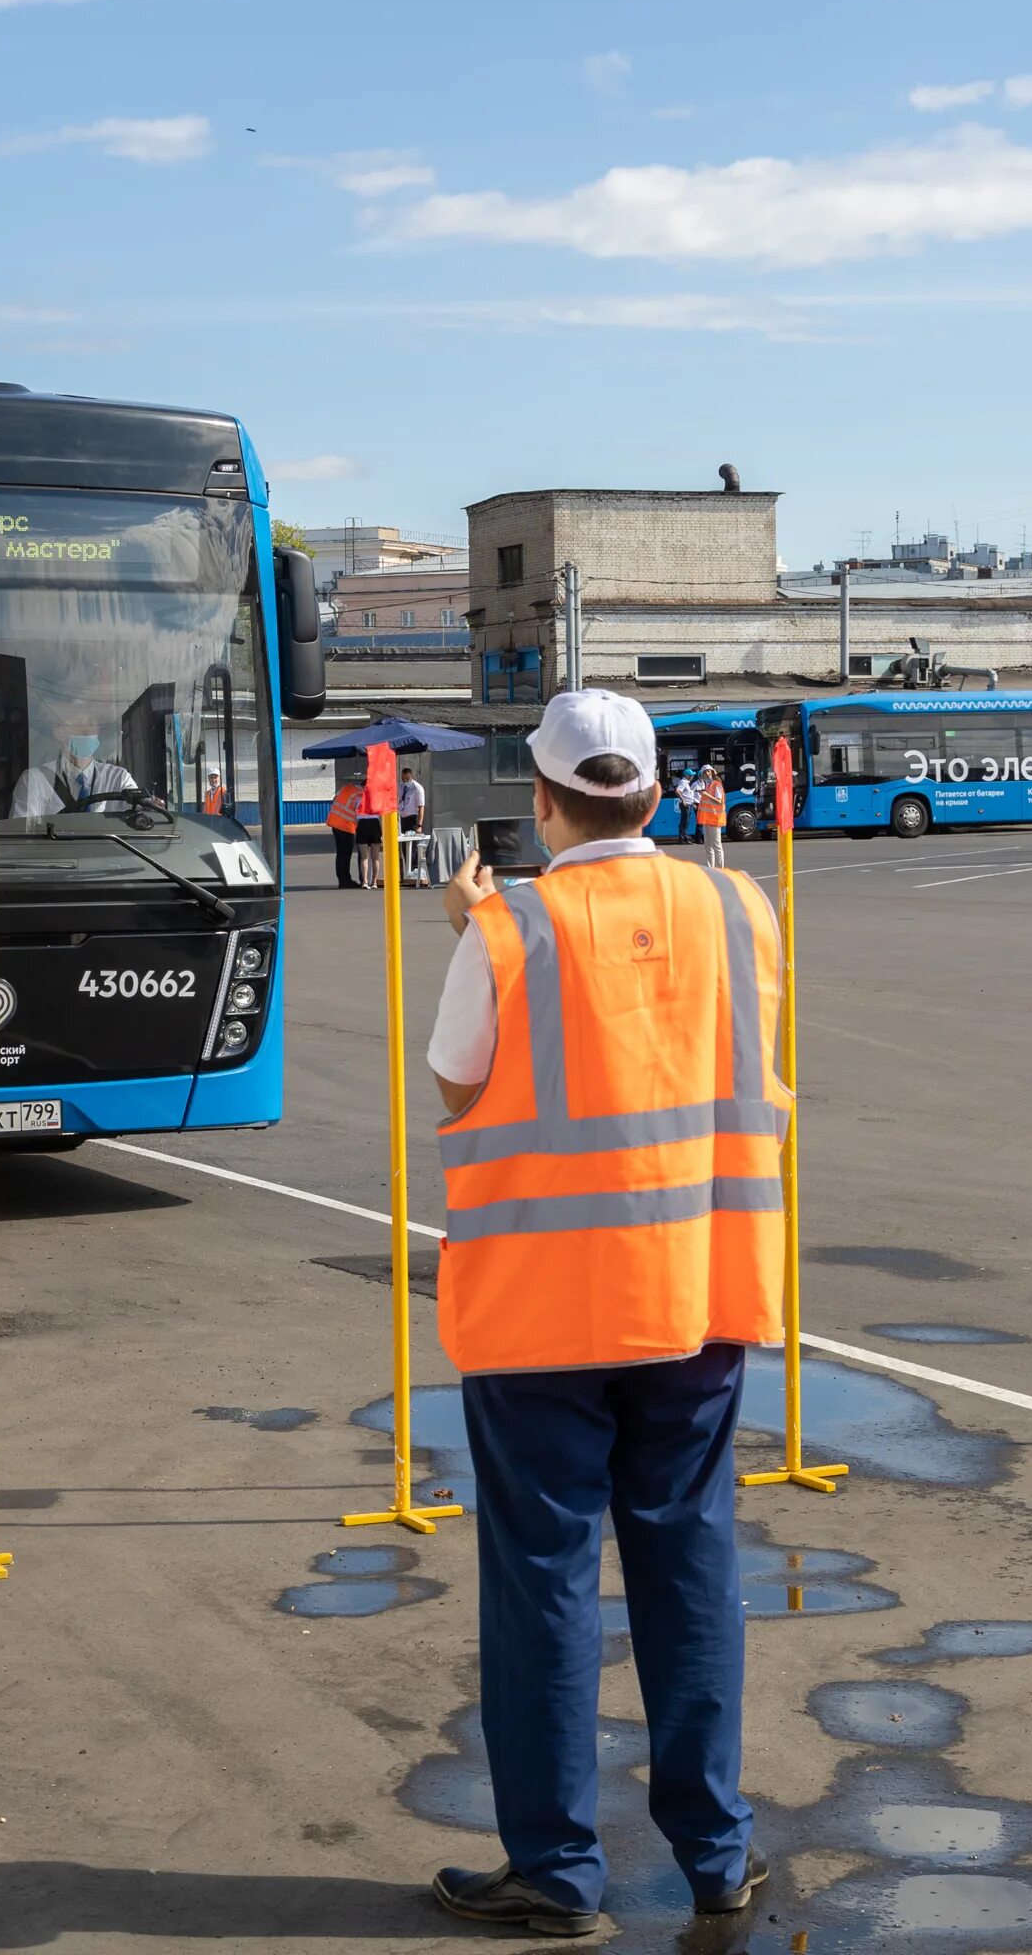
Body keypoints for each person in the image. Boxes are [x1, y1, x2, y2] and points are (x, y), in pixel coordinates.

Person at [422, 688, 785, 1937]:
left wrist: (477, 928)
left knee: (544, 1583)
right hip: (697, 1293)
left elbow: (456, 1079)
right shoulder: (741, 908)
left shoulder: (509, 926)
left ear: (543, 798)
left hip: (540, 1311)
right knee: (689, 1567)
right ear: (655, 792)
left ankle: (560, 1870)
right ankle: (716, 1854)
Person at [9, 730, 140, 819]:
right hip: (54, 858)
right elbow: (23, 836)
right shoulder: (34, 780)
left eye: (91, 725)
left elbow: (140, 816)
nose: (87, 732)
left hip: (107, 858)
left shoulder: (118, 778)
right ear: (59, 732)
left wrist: (150, 806)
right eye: (79, 727)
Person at [325, 775, 367, 889]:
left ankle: (342, 879)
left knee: (340, 854)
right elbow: (360, 812)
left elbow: (335, 798)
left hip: (334, 823)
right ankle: (345, 881)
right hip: (346, 826)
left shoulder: (347, 787)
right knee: (345, 854)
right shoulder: (360, 794)